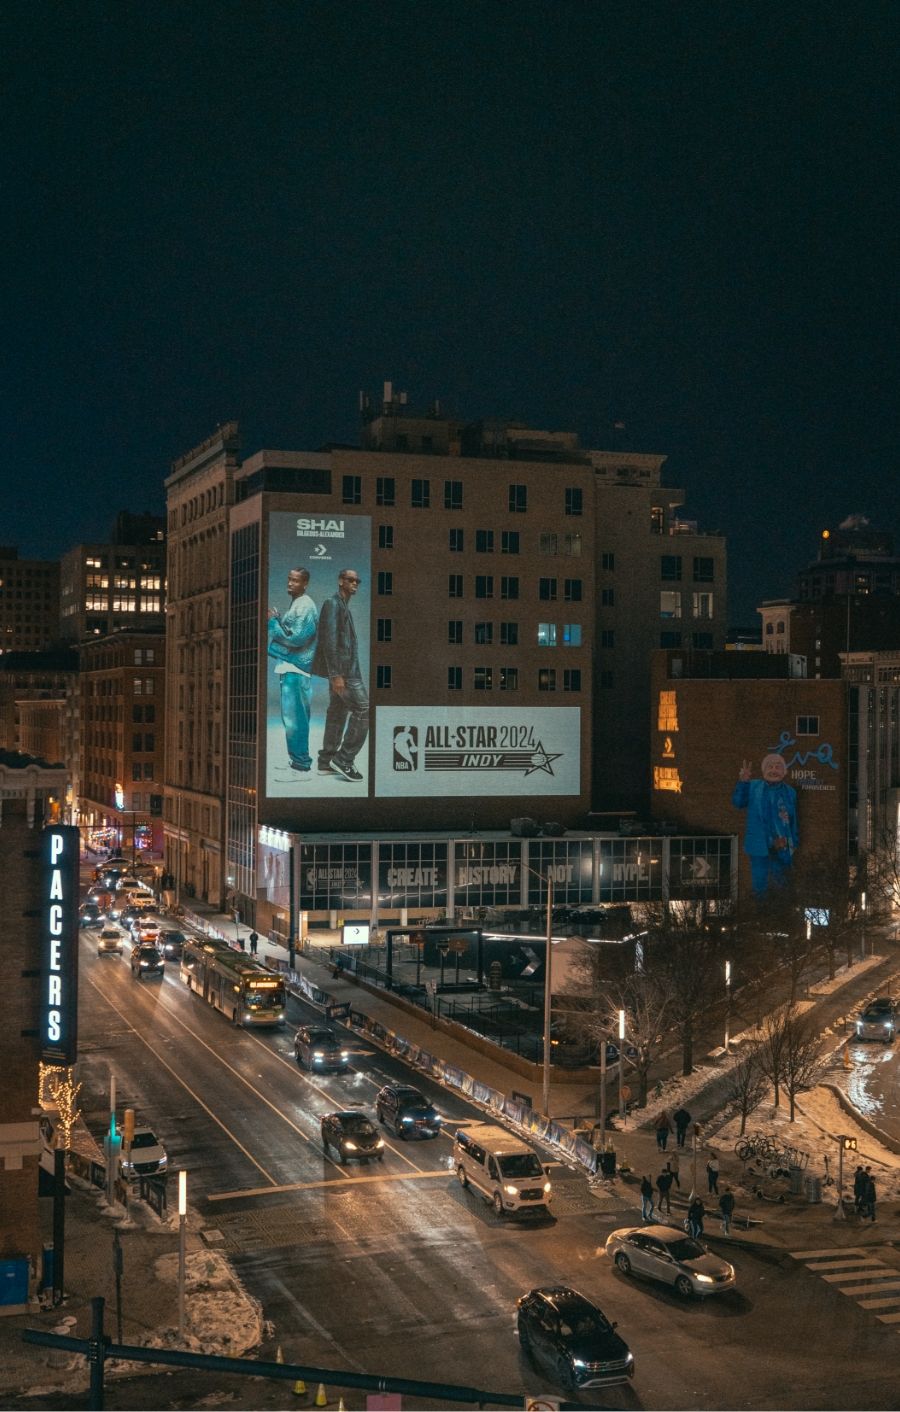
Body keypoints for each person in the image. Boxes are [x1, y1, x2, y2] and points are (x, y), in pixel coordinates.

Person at [312, 568, 369, 782]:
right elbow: (329, 641)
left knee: (337, 711)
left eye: (357, 581)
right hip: (344, 673)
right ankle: (344, 759)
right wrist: (336, 674)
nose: (354, 583)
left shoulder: (343, 606)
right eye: (350, 580)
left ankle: (326, 761)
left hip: (345, 671)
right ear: (340, 581)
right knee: (363, 709)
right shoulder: (332, 604)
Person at [268, 567, 319, 775]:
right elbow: (293, 632)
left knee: (294, 719)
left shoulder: (305, 605)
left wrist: (272, 622)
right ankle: (297, 761)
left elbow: (296, 638)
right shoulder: (299, 603)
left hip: (295, 669)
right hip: (294, 669)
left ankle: (300, 765)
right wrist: (279, 619)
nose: (290, 583)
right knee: (294, 718)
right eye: (289, 579)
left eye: (295, 581)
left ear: (305, 584)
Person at [731, 754, 799, 895]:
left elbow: (793, 820)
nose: (774, 770)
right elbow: (738, 802)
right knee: (759, 886)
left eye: (778, 767)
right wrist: (743, 782)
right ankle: (760, 912)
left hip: (783, 846)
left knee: (782, 886)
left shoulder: (790, 792)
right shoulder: (753, 787)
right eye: (770, 766)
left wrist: (794, 843)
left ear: (784, 772)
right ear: (763, 771)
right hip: (759, 845)